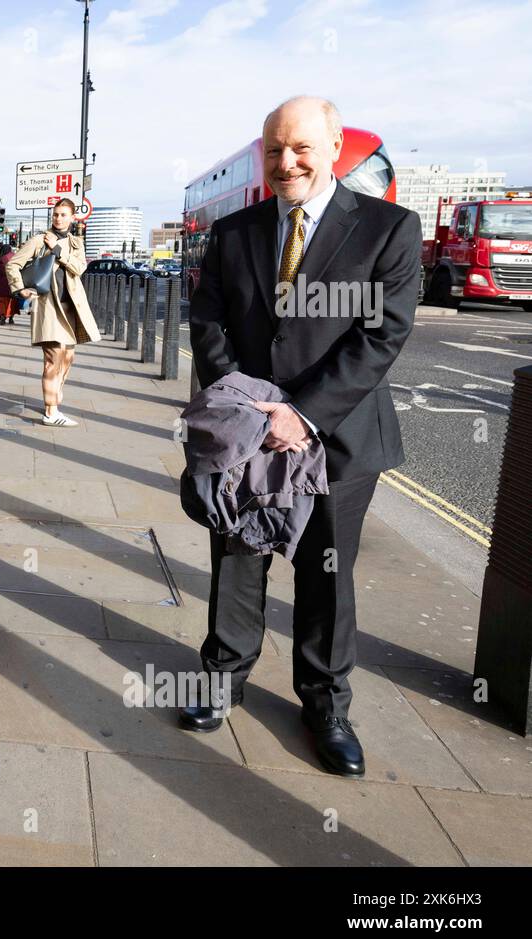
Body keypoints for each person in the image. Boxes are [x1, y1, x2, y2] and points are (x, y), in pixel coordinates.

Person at [182, 96, 420, 778]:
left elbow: (383, 336)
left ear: (334, 145)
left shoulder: (388, 229)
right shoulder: (236, 232)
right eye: (275, 149)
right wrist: (252, 409)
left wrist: (303, 413)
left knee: (326, 572)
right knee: (237, 555)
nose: (286, 162)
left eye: (302, 149)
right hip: (248, 437)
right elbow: (210, 321)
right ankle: (223, 676)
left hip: (338, 438)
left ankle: (325, 704)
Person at [5, 198, 101, 427]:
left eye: (63, 214)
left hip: (71, 309)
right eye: (55, 214)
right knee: (53, 359)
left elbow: (79, 268)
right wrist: (20, 289)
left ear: (73, 217)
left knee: (67, 358)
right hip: (49, 307)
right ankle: (51, 411)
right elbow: (13, 264)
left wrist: (58, 251)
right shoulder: (39, 240)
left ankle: (54, 397)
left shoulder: (76, 243)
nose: (58, 218)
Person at [0, 243, 18, 325]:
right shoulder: (15, 257)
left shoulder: (1, 259)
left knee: (2, 301)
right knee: (12, 301)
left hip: (2, 284)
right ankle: (11, 317)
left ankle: (2, 316)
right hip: (13, 284)